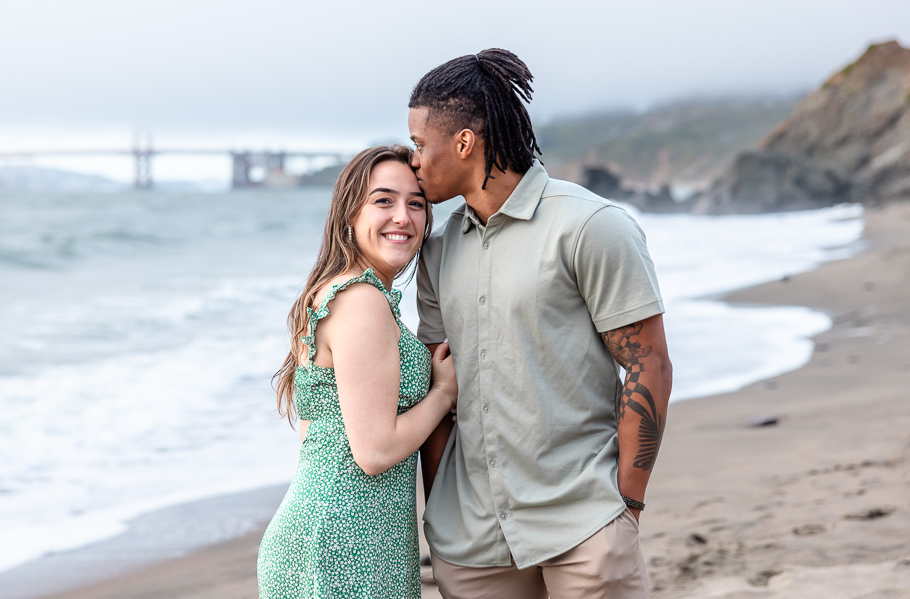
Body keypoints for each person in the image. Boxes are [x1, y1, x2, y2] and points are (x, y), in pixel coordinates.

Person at [409, 49, 673, 598]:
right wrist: (440, 504)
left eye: (418, 144)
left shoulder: (590, 227)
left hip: (584, 524)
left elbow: (648, 365)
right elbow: (436, 381)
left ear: (463, 142)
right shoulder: (435, 250)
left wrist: (625, 507)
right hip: (472, 540)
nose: (414, 160)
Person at [257, 144, 459, 598]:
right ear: (350, 213)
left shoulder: (338, 292)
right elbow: (375, 451)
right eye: (383, 201)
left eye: (416, 203)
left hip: (335, 531)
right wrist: (443, 394)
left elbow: (318, 430)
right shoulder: (362, 300)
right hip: (345, 542)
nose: (403, 217)